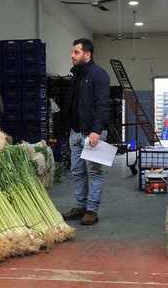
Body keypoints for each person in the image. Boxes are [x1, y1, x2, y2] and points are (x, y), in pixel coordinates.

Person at [60, 38, 110, 226]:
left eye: (76, 52)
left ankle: (91, 210)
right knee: (78, 172)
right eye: (72, 52)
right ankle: (80, 206)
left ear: (87, 54)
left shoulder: (99, 74)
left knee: (94, 172)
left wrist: (97, 130)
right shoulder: (78, 75)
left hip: (92, 134)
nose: (72, 55)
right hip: (76, 132)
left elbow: (103, 105)